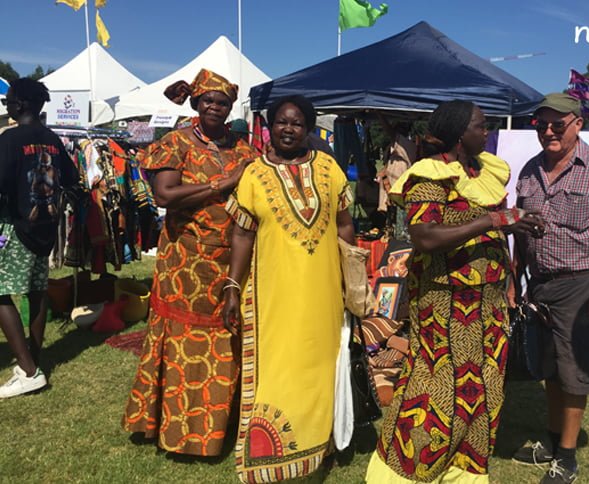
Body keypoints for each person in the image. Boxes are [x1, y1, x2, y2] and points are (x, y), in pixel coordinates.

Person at [367, 100, 544, 483]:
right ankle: (404, 470)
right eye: (480, 126)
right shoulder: (429, 176)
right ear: (459, 133)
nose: (487, 131)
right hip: (445, 305)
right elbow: (426, 236)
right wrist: (493, 219)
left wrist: (512, 232)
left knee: (484, 387)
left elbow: (490, 228)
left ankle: (464, 469)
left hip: (490, 303)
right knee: (439, 387)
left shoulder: (484, 171)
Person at [121, 69, 256, 456]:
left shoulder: (243, 149)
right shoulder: (176, 142)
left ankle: (221, 426)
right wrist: (221, 184)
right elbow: (164, 195)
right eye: (208, 100)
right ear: (196, 103)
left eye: (223, 102)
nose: (215, 107)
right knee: (185, 341)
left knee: (227, 337)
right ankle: (178, 429)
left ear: (231, 108)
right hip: (186, 261)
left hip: (232, 260)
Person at [222, 95, 355, 482]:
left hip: (325, 291)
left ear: (309, 129)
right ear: (270, 126)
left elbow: (344, 222)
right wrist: (232, 286)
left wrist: (353, 273)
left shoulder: (328, 168)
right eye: (281, 122)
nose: (288, 129)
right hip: (273, 296)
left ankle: (319, 445)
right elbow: (242, 234)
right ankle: (270, 449)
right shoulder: (253, 175)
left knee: (320, 365)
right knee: (279, 367)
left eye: (297, 123)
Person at [510, 93, 589, 484]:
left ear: (577, 124)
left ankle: (566, 458)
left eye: (557, 124)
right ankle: (552, 441)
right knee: (549, 367)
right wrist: (514, 277)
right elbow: (520, 228)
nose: (548, 131)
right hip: (540, 285)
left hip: (582, 285)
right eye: (541, 124)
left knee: (573, 371)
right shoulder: (531, 170)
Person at [0, 78, 79, 398]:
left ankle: (30, 371)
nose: (6, 105)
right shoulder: (52, 139)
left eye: (10, 101)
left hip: (15, 227)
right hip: (44, 229)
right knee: (36, 292)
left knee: (1, 293)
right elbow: (71, 179)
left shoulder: (10, 139)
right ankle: (33, 359)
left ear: (21, 105)